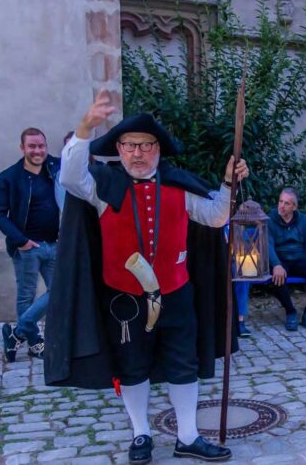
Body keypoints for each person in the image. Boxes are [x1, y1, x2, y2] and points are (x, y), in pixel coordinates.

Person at [46, 90, 248, 463]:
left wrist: (226, 183)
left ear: (158, 149)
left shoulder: (178, 187)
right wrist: (86, 127)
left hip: (176, 293)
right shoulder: (102, 186)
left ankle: (187, 436)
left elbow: (217, 215)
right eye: (129, 145)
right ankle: (141, 434)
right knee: (132, 365)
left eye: (146, 145)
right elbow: (70, 175)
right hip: (123, 298)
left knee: (182, 365)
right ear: (119, 149)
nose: (137, 153)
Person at [0, 127, 61, 362]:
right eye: (32, 146)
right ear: (23, 148)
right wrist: (21, 241)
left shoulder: (55, 168)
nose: (37, 150)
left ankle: (16, 333)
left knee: (60, 291)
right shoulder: (8, 177)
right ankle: (33, 343)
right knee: (26, 297)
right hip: (28, 247)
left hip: (55, 243)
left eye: (41, 145)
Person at [268, 188, 306, 331]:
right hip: (281, 260)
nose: (281, 206)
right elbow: (268, 245)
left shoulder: (304, 221)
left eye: (286, 203)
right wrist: (276, 264)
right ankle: (290, 312)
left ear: (294, 207)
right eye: (280, 201)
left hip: (299, 259)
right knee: (276, 278)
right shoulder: (270, 220)